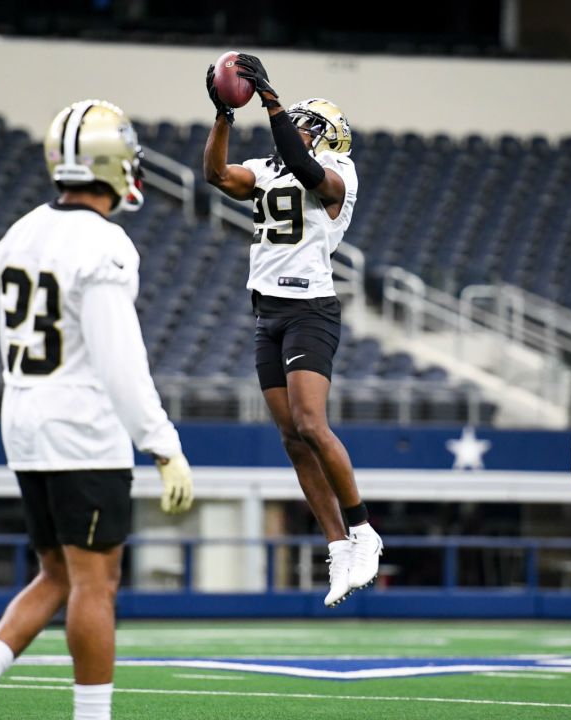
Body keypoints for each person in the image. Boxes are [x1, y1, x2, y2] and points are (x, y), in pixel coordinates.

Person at [0, 99, 194, 720]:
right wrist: (163, 444)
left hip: (23, 417)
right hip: (81, 423)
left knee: (56, 573)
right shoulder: (103, 243)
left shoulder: (19, 231)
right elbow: (119, 362)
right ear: (110, 165)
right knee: (95, 582)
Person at [202, 53, 382, 608]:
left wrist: (272, 101)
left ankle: (364, 530)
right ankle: (338, 546)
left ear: (323, 132)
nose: (295, 127)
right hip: (268, 312)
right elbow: (216, 175)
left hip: (310, 309)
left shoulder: (340, 173)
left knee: (311, 422)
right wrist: (224, 116)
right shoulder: (269, 165)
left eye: (306, 122)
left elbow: (309, 172)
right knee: (290, 438)